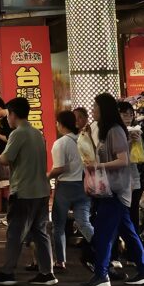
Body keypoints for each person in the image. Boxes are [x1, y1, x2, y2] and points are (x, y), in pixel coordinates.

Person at [81, 93, 144, 286]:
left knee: (103, 232)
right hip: (113, 190)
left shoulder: (114, 131)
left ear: (104, 110)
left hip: (115, 190)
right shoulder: (107, 132)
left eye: (95, 107)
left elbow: (123, 160)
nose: (93, 111)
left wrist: (99, 166)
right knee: (128, 231)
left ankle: (101, 275)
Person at [0, 96, 56, 286]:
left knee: (15, 232)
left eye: (8, 114)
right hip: (41, 190)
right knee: (40, 232)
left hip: (24, 191)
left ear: (13, 114)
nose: (7, 118)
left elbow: (5, 159)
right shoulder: (37, 133)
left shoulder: (17, 134)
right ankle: (47, 272)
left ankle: (8, 272)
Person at [48, 111, 93, 270]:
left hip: (65, 187)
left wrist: (46, 176)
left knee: (58, 225)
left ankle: (60, 260)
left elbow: (60, 168)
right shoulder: (83, 140)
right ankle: (100, 249)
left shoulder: (60, 143)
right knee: (83, 222)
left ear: (60, 124)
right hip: (83, 185)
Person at [118, 101, 143, 237]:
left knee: (133, 216)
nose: (128, 117)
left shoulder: (136, 131)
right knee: (121, 217)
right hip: (118, 182)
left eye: (130, 114)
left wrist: (137, 142)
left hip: (133, 180)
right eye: (124, 114)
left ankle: (133, 250)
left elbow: (139, 158)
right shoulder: (115, 132)